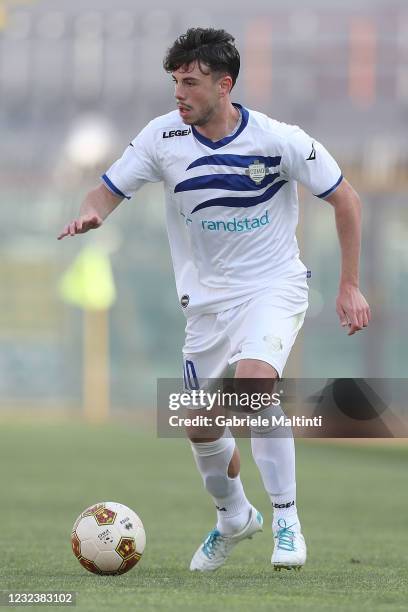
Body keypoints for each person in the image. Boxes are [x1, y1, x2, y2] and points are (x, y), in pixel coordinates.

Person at [58, 28, 371, 572]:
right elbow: (104, 191)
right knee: (200, 423)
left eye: (191, 82)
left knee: (254, 384)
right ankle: (233, 517)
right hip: (204, 307)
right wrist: (93, 213)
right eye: (175, 81)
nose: (179, 92)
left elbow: (346, 199)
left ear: (224, 85)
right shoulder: (161, 138)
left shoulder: (278, 140)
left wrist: (349, 285)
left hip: (273, 286)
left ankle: (287, 520)